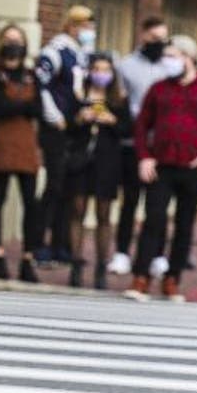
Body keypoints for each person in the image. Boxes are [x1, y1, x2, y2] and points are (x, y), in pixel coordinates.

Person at [126, 35, 197, 303]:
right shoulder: (159, 89)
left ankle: (172, 278)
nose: (168, 62)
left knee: (184, 225)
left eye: (173, 56)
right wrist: (144, 157)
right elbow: (142, 125)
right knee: (154, 220)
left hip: (192, 166)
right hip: (162, 164)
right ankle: (141, 277)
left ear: (189, 58)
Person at [109, 16, 172, 276]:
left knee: (158, 204)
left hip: (161, 146)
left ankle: (157, 254)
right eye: (154, 38)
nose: (159, 44)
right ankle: (122, 252)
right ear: (143, 35)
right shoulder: (125, 66)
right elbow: (120, 102)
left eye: (163, 39)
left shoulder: (170, 68)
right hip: (132, 144)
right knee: (130, 201)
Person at [0, 24, 43, 282]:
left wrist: (20, 106)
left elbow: (37, 109)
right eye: (9, 40)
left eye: (18, 40)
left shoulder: (31, 75)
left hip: (26, 143)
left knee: (31, 202)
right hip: (3, 141)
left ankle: (28, 256)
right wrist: (23, 105)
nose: (13, 44)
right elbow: (0, 107)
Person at [34, 4, 94, 266]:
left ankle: (61, 245)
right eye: (86, 27)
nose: (90, 32)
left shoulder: (81, 55)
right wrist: (53, 116)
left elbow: (87, 92)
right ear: (72, 26)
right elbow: (42, 85)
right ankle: (38, 243)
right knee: (54, 185)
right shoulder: (55, 51)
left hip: (76, 129)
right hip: (56, 129)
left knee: (69, 189)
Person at [64, 53, 129, 290]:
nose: (100, 73)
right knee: (77, 210)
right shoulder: (79, 96)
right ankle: (75, 263)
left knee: (103, 213)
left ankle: (101, 265)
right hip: (82, 160)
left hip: (107, 161)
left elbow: (127, 129)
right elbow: (67, 125)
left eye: (105, 69)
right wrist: (81, 118)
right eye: (97, 68)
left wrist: (111, 121)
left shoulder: (119, 99)